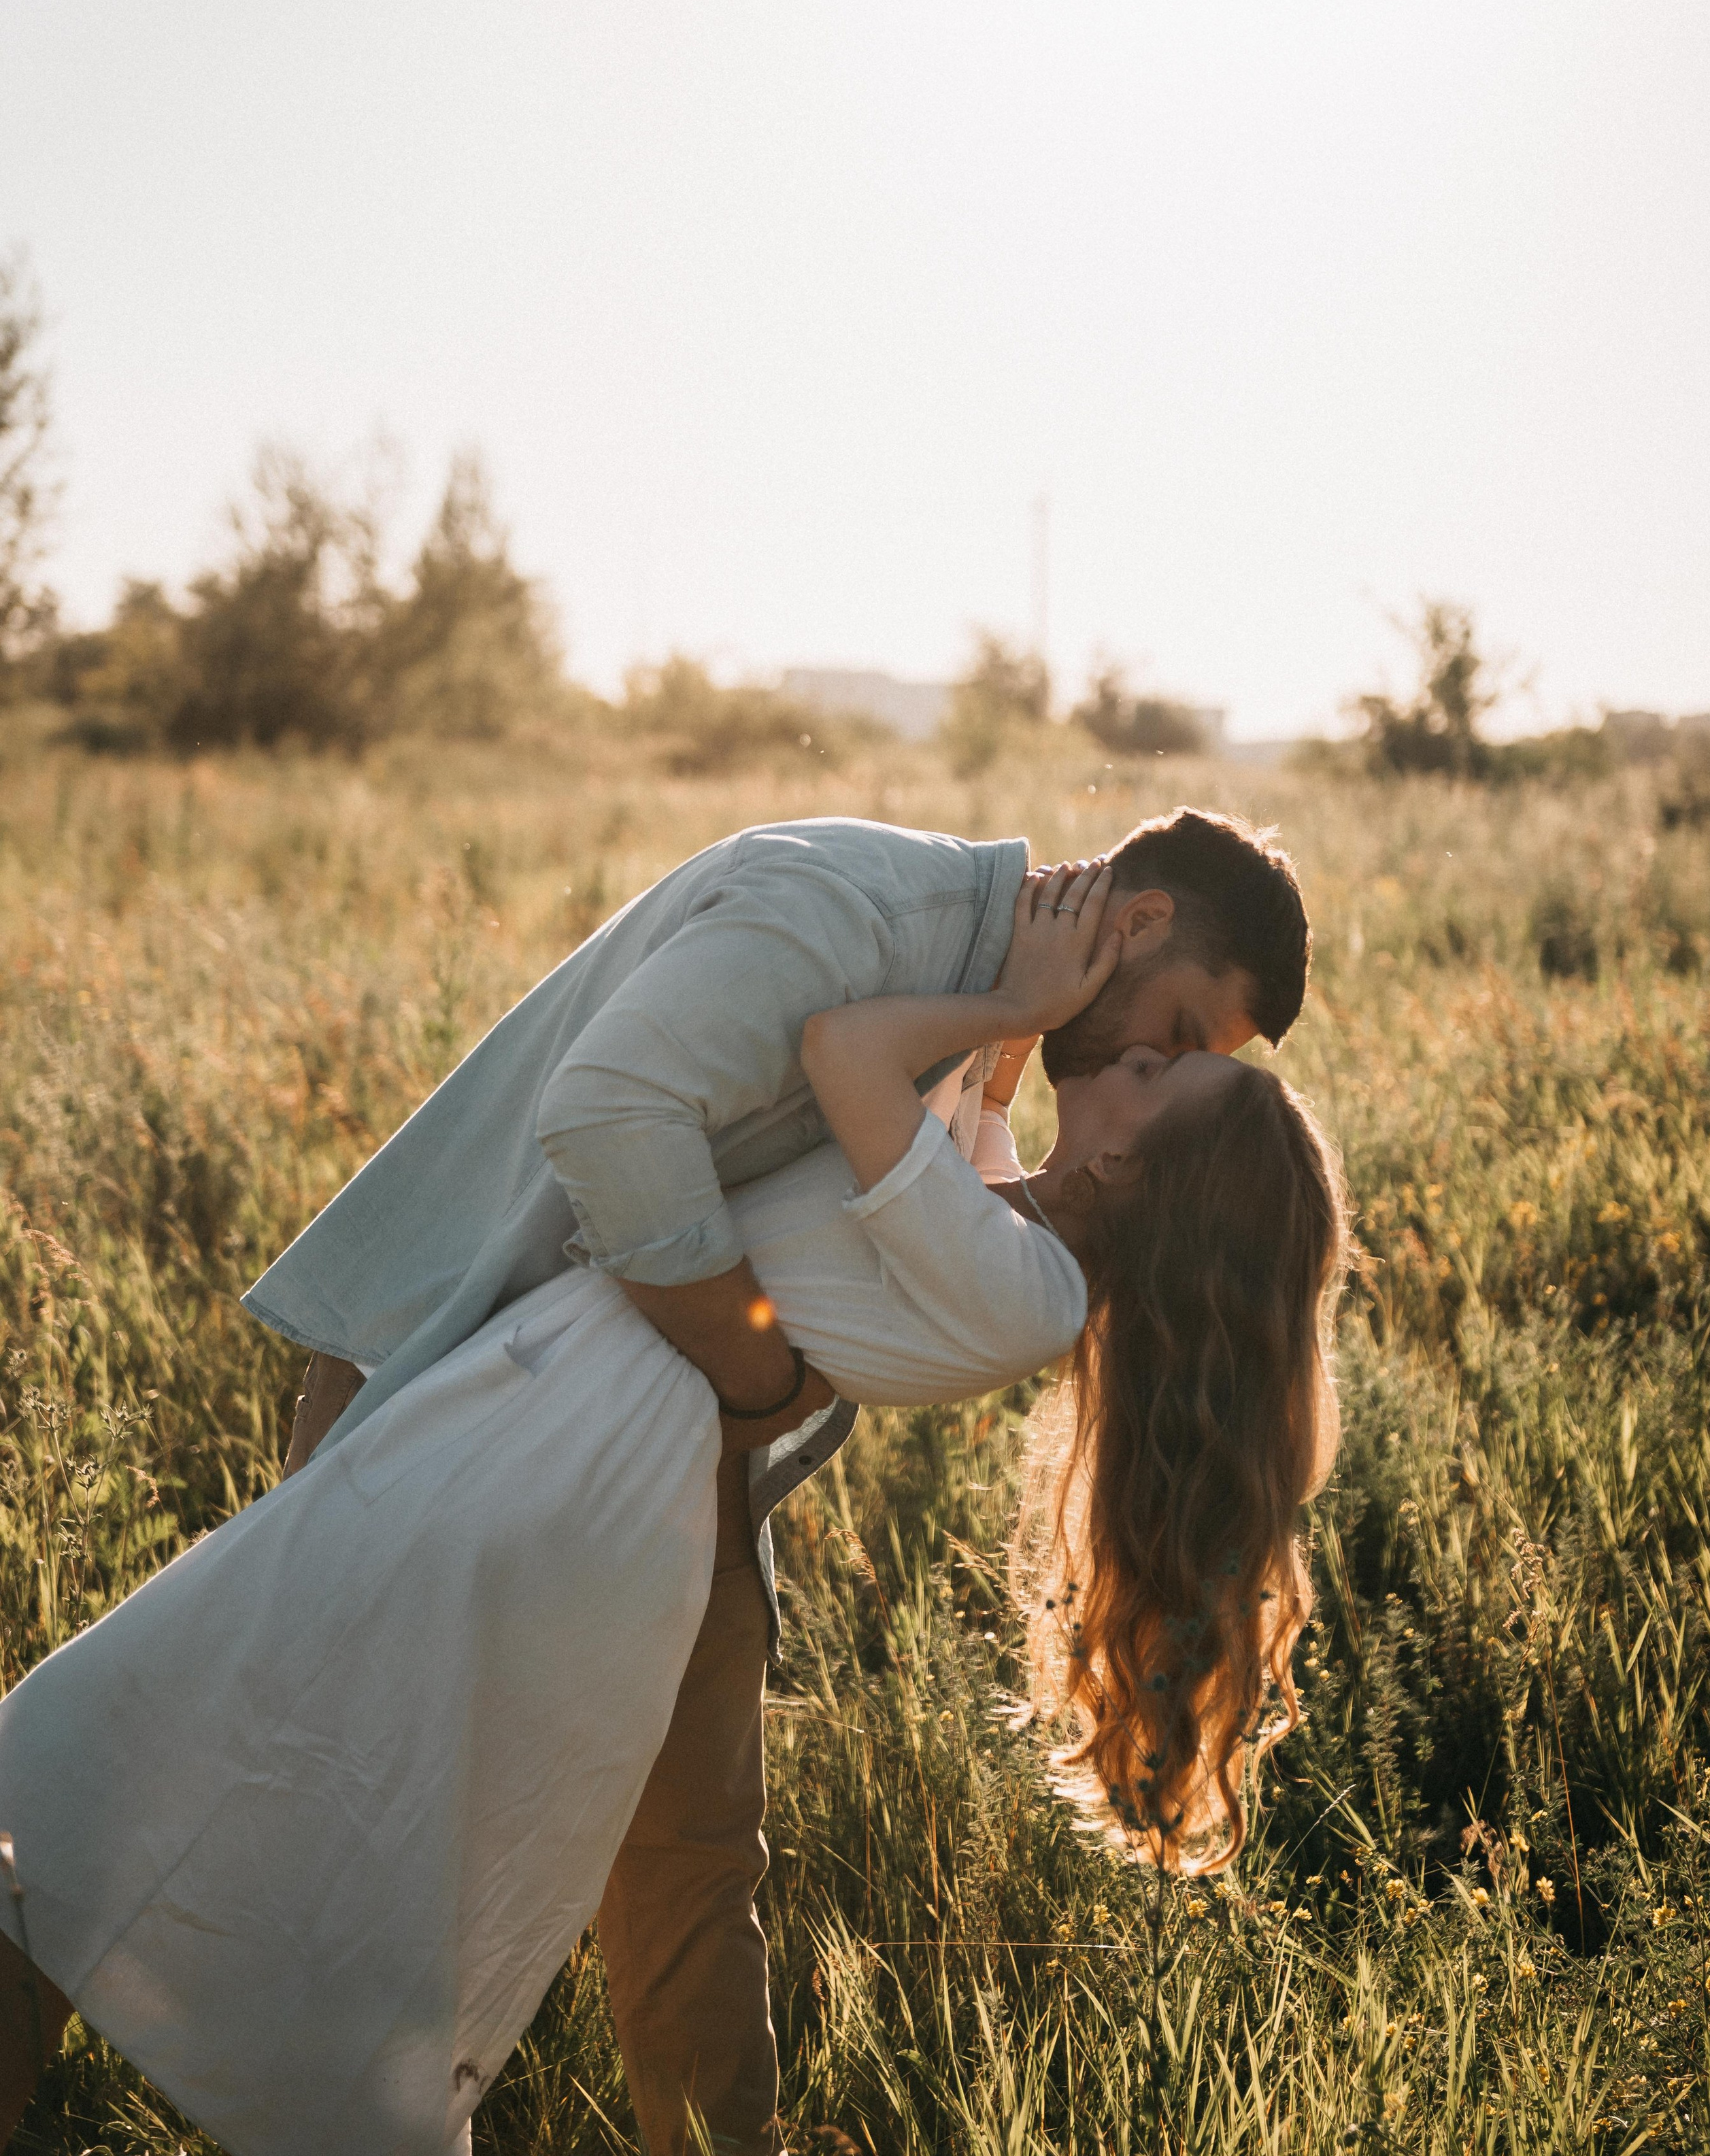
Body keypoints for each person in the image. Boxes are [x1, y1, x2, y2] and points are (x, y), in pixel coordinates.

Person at [0, 811, 1314, 2155]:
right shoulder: (847, 916)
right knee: (167, 1762)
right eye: (1181, 1030)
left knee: (171, 1772)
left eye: (1180, 1069)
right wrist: (754, 1372)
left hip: (614, 1455)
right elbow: (612, 1116)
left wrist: (751, 1376)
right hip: (513, 1399)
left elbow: (871, 1155)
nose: (1155, 1054)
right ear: (1139, 925)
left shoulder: (1015, 1214)